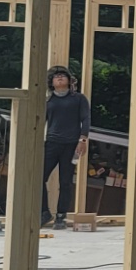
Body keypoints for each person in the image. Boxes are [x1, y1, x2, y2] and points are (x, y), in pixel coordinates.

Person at [42, 66, 91, 229]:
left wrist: (83, 140)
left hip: (71, 145)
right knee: (39, 177)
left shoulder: (78, 99)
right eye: (56, 76)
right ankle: (44, 212)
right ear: (51, 82)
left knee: (65, 181)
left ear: (70, 81)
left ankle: (61, 217)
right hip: (52, 143)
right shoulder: (48, 101)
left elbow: (86, 119)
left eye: (63, 75)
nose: (60, 77)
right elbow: (40, 121)